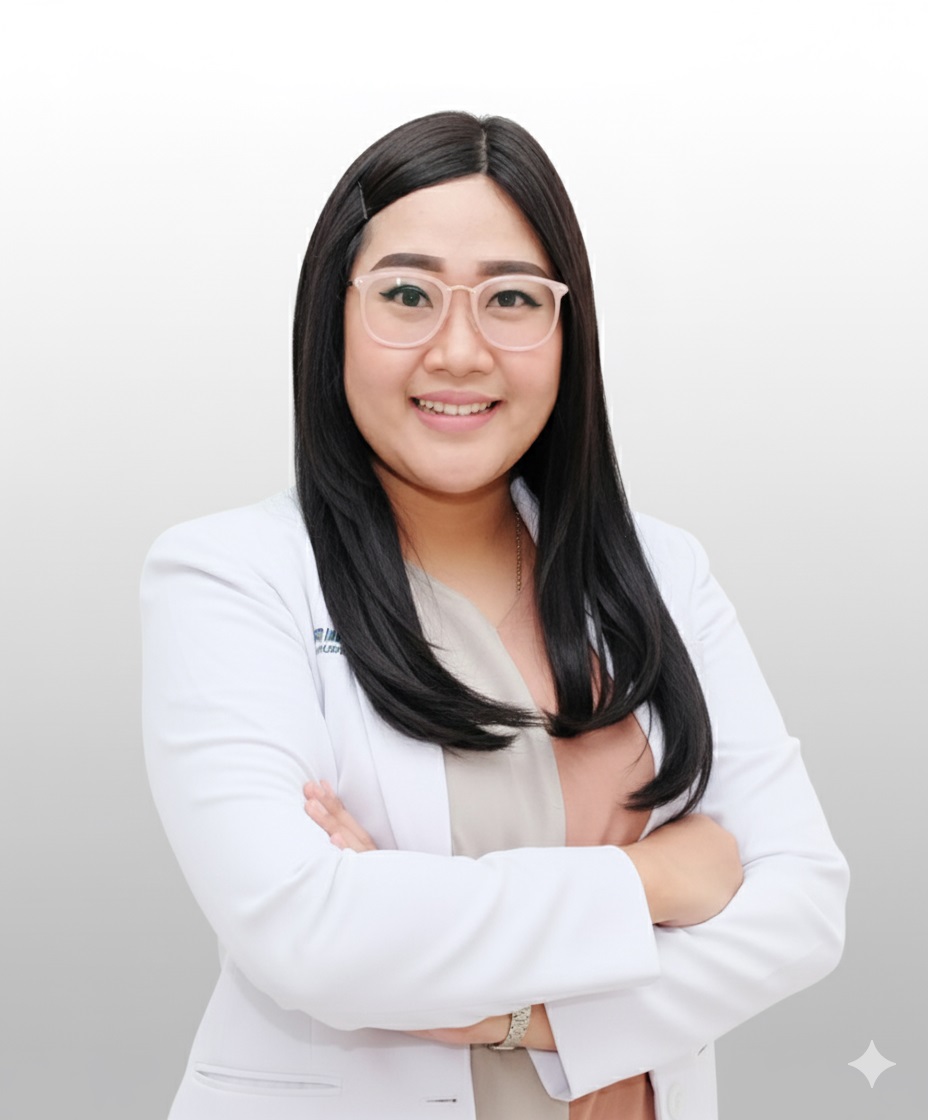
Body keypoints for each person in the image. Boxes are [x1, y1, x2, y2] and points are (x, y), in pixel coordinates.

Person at [141, 111, 849, 1120]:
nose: (460, 350)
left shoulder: (663, 572)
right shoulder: (229, 576)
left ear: (567, 332)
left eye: (512, 298)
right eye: (406, 295)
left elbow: (801, 907)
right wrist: (656, 880)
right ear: (331, 318)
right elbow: (306, 932)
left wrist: (511, 1015)